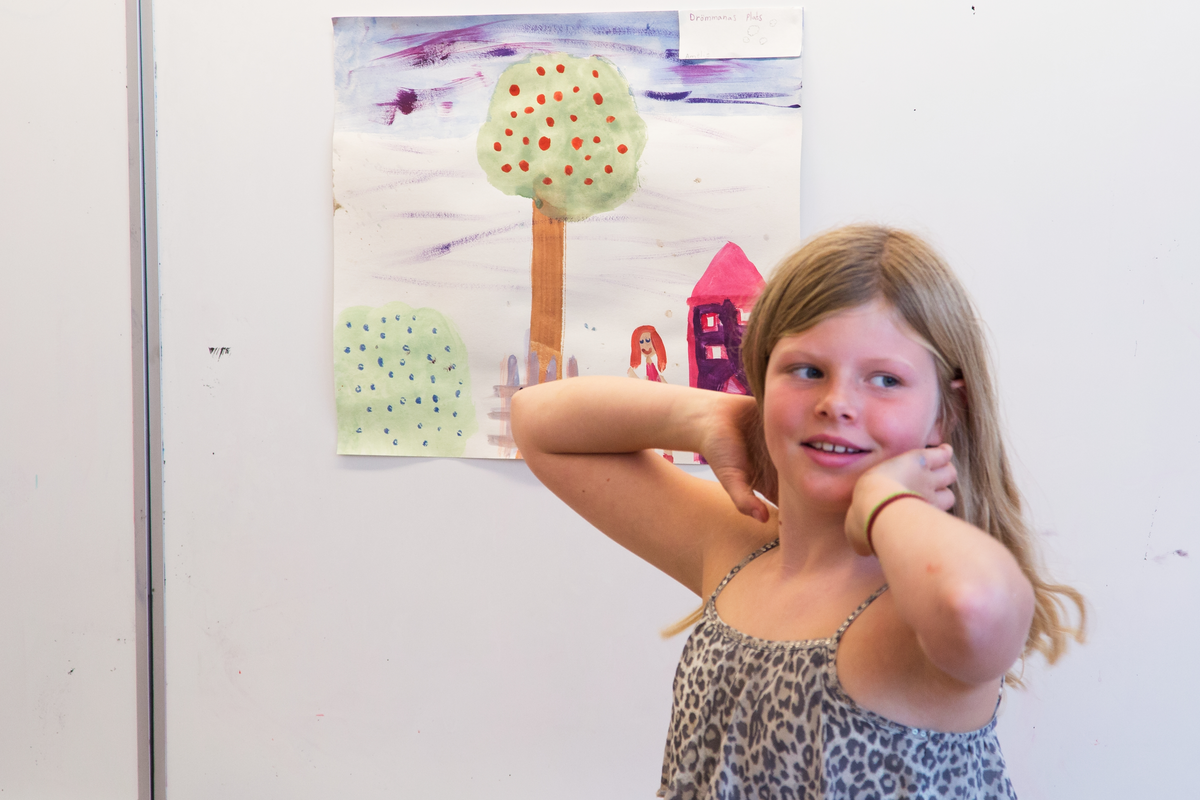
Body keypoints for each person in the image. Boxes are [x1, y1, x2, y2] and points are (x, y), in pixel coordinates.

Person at [511, 225, 1084, 799]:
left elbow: (976, 604)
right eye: (807, 371)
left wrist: (884, 503)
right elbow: (537, 424)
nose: (837, 403)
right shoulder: (739, 551)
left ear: (945, 414)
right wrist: (710, 418)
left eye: (885, 380)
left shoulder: (917, 613)